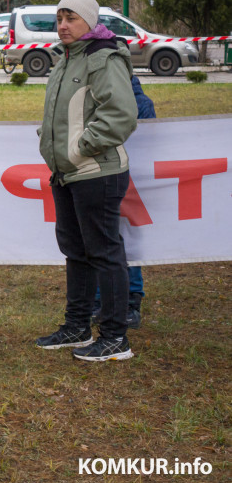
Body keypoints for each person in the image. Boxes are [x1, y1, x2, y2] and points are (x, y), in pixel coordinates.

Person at [34, 0, 138, 362]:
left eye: (71, 18)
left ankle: (115, 338)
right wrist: (52, 144)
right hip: (67, 174)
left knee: (105, 253)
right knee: (76, 252)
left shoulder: (102, 57)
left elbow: (121, 115)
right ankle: (77, 326)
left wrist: (78, 149)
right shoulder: (66, 58)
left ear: (90, 21)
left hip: (96, 172)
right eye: (59, 18)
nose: (63, 25)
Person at [92, 75, 155, 329]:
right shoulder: (94, 92)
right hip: (101, 175)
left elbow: (148, 141)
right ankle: (102, 302)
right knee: (101, 238)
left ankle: (129, 303)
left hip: (129, 178)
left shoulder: (138, 101)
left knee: (126, 240)